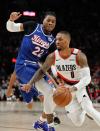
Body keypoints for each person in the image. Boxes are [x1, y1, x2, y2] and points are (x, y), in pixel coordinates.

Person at [23, 31, 100, 130]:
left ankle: (84, 108)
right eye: (56, 39)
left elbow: (87, 78)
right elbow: (41, 71)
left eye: (60, 39)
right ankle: (82, 110)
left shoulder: (79, 55)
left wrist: (74, 88)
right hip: (65, 90)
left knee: (90, 110)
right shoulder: (52, 57)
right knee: (78, 122)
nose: (57, 41)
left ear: (68, 41)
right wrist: (30, 83)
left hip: (79, 86)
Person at [6, 11, 60, 131]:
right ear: (43, 20)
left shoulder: (52, 41)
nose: (50, 23)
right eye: (48, 20)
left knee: (54, 93)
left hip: (36, 67)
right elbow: (11, 28)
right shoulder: (33, 26)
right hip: (23, 65)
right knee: (47, 92)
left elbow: (51, 62)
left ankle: (41, 122)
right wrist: (11, 20)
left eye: (53, 21)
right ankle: (50, 125)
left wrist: (57, 76)